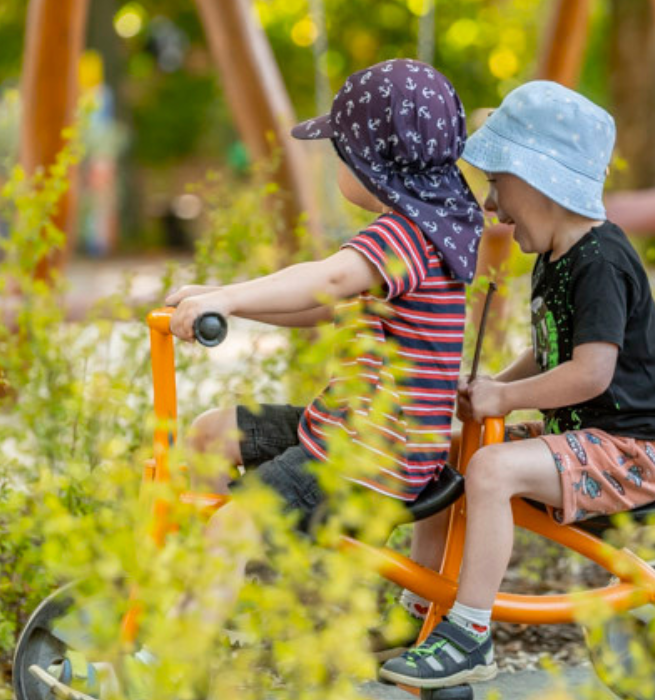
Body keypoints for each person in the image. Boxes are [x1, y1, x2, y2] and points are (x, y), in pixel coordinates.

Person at [379, 81, 655, 689]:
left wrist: (506, 398)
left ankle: (469, 632)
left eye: (497, 183)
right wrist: (495, 383)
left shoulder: (600, 261)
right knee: (449, 452)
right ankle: (422, 605)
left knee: (492, 470)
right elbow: (551, 349)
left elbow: (591, 372)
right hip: (590, 439)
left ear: (540, 179)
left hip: (632, 450)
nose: (491, 204)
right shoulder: (557, 257)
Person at [166, 58, 484, 531]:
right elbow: (322, 305)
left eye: (341, 151)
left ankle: (224, 564)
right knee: (210, 434)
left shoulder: (405, 235)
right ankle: (235, 564)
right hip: (347, 429)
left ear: (371, 160)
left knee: (231, 527)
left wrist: (226, 300)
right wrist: (223, 297)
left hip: (374, 456)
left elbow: (326, 281)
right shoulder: (419, 231)